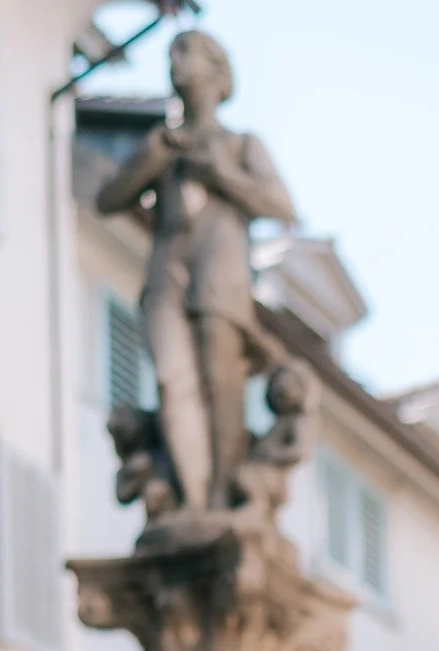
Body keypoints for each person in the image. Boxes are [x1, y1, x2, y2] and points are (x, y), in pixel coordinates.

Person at [94, 29, 297, 515]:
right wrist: (156, 154)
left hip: (219, 280)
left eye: (186, 53)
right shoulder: (164, 143)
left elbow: (281, 205)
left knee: (219, 385)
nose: (175, 64)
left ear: (216, 70)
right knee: (171, 378)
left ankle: (221, 499)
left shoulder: (240, 144)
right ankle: (190, 496)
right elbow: (108, 199)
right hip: (168, 275)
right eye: (171, 55)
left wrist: (220, 174)